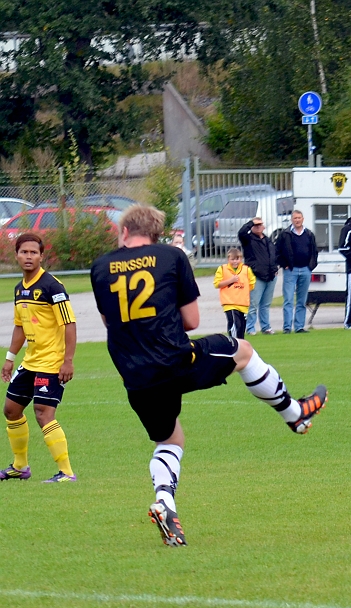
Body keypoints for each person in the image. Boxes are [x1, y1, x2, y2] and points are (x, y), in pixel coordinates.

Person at [90, 204, 327, 547]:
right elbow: (191, 321)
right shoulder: (171, 256)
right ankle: (295, 414)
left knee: (170, 441)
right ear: (155, 234)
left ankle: (165, 503)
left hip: (135, 375)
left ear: (124, 231)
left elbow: (111, 323)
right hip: (175, 360)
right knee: (243, 350)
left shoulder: (100, 267)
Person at [0, 233, 77, 483]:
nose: (29, 256)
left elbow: (69, 323)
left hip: (52, 362)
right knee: (11, 410)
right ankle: (20, 467)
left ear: (42, 256)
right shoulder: (19, 288)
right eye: (24, 252)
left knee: (43, 413)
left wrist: (68, 360)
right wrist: (10, 358)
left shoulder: (53, 286)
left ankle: (66, 472)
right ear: (17, 255)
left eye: (34, 252)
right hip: (30, 361)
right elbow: (20, 327)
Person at [276, 210, 317, 333]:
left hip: (305, 270)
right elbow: (277, 252)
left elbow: (314, 251)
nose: (297, 220)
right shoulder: (285, 234)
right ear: (292, 220)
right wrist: (284, 264)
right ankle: (287, 327)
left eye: (299, 218)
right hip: (291, 270)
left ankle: (299, 326)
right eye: (295, 218)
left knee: (302, 300)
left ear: (303, 219)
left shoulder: (309, 234)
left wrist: (311, 266)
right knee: (288, 299)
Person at [238, 217, 278, 335]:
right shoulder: (248, 239)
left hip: (271, 275)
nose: (258, 227)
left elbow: (273, 255)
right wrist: (251, 223)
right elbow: (241, 232)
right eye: (256, 225)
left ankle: (266, 327)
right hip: (256, 276)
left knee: (265, 304)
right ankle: (250, 328)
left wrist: (275, 268)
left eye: (260, 225)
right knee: (253, 304)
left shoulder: (267, 240)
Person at [213, 247, 256, 339]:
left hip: (243, 303)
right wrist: (230, 281)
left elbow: (252, 283)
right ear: (228, 259)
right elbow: (217, 284)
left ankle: (240, 344)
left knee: (241, 327)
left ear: (241, 259)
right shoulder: (222, 269)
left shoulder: (246, 270)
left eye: (237, 259)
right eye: (232, 259)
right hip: (230, 303)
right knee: (234, 324)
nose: (235, 261)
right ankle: (234, 343)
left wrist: (243, 291)